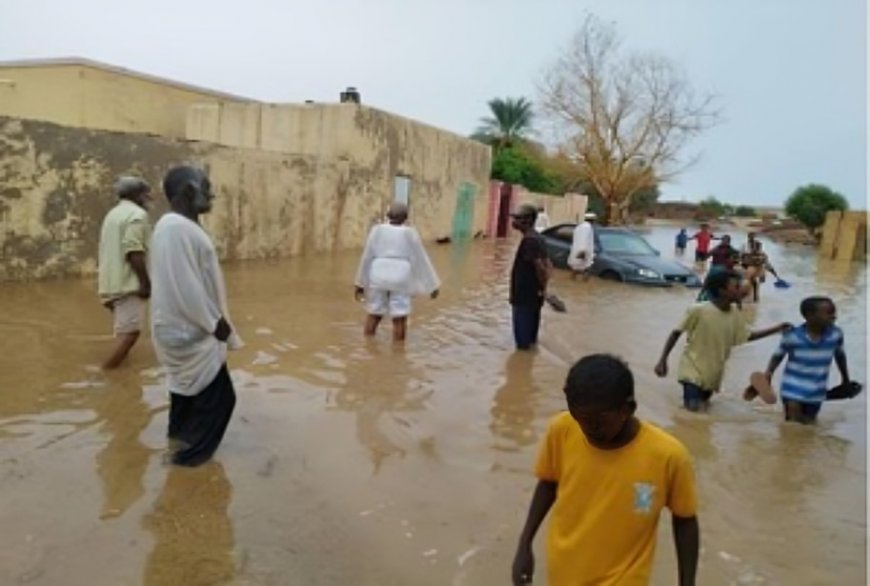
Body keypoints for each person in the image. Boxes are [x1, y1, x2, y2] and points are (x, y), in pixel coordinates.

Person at [512, 354, 699, 586]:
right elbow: (548, 483)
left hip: (625, 578)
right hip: (564, 571)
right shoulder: (562, 430)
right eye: (580, 417)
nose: (588, 429)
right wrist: (524, 544)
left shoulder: (668, 457)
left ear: (627, 408)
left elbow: (685, 521)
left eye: (599, 421)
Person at [149, 166, 243, 467]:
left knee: (186, 393)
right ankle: (188, 462)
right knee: (220, 400)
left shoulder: (176, 227)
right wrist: (215, 323)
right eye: (206, 186)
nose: (211, 193)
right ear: (188, 191)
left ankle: (177, 444)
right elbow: (184, 285)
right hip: (190, 328)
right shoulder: (175, 228)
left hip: (181, 326)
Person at [655, 269, 791, 412]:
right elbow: (676, 333)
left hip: (713, 373)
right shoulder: (698, 310)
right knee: (692, 409)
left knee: (702, 409)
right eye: (736, 287)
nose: (742, 291)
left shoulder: (735, 314)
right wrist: (663, 360)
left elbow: (746, 336)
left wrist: (776, 328)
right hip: (691, 368)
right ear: (722, 291)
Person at [753, 297, 850, 424]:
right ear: (809, 315)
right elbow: (778, 355)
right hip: (792, 389)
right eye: (829, 313)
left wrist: (846, 379)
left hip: (817, 391)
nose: (833, 316)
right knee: (793, 425)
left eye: (834, 312)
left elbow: (840, 356)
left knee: (809, 425)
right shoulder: (793, 336)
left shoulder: (836, 335)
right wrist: (768, 373)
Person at [354, 202, 440, 342]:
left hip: (378, 274)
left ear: (387, 215)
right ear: (406, 217)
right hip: (401, 276)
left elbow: (367, 257)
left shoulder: (377, 230)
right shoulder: (410, 233)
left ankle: (367, 347)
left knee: (374, 312)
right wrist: (432, 285)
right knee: (399, 316)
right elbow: (421, 258)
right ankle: (399, 352)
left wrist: (359, 283)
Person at [97, 176, 153, 369]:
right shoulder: (137, 215)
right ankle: (106, 373)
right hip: (128, 284)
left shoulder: (113, 214)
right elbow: (134, 251)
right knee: (131, 334)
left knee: (123, 331)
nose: (148, 199)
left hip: (110, 283)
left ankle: (123, 381)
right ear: (138, 195)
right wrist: (145, 284)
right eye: (146, 195)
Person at [509, 204, 549, 350]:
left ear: (527, 220)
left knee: (523, 342)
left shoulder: (529, 241)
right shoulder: (539, 238)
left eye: (517, 219)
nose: (514, 222)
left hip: (524, 296)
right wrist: (543, 289)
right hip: (534, 295)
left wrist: (544, 289)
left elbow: (540, 267)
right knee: (531, 338)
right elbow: (548, 265)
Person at [568, 212, 596, 280]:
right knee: (586, 270)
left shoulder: (579, 227)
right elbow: (584, 239)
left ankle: (573, 282)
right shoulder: (588, 227)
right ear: (592, 220)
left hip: (576, 251)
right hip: (583, 252)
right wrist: (583, 251)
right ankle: (585, 286)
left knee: (575, 269)